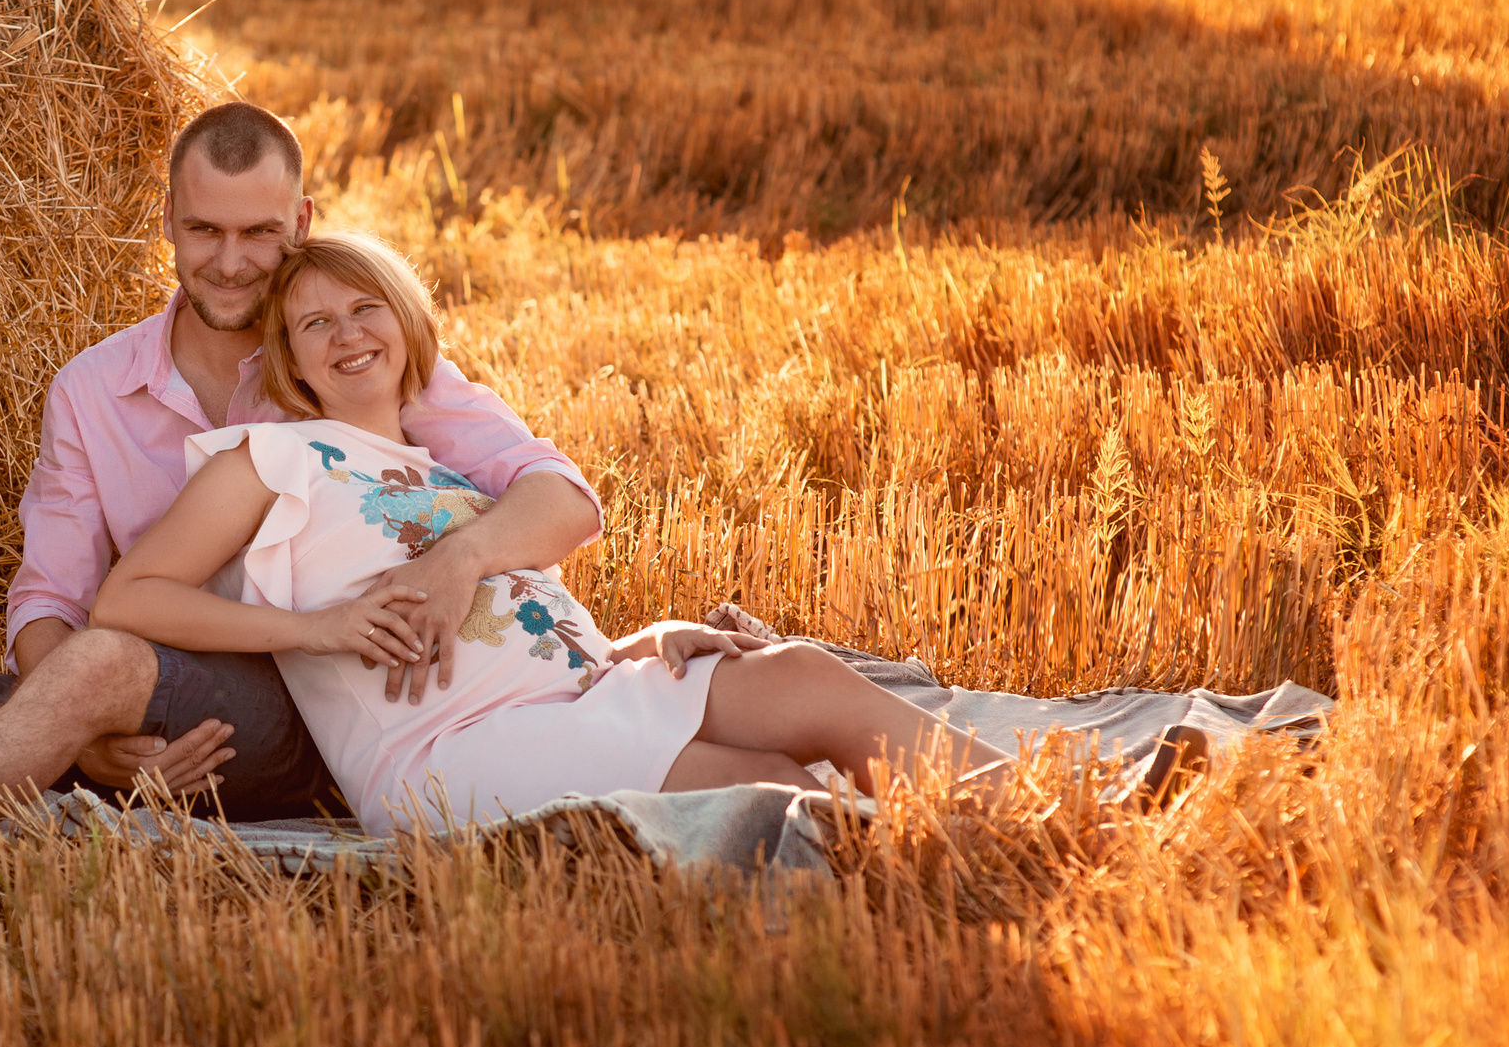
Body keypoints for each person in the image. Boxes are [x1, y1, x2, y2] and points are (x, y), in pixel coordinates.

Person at [91, 232, 1028, 835]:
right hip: (449, 751)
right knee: (774, 787)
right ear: (289, 359)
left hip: (581, 693)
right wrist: (317, 631)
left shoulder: (446, 470)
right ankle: (1009, 844)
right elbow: (128, 597)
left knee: (802, 677)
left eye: (365, 309)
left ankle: (1042, 811)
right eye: (314, 324)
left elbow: (531, 572)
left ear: (406, 321)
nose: (346, 336)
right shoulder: (269, 460)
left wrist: (632, 644)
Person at [0, 102, 602, 846]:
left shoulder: (355, 360)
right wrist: (84, 740)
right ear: (169, 217)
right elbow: (51, 594)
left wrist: (459, 558)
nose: (232, 262)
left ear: (301, 223)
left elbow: (559, 498)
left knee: (93, 669)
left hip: (333, 701)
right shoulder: (93, 389)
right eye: (206, 230)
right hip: (163, 685)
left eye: (259, 234)